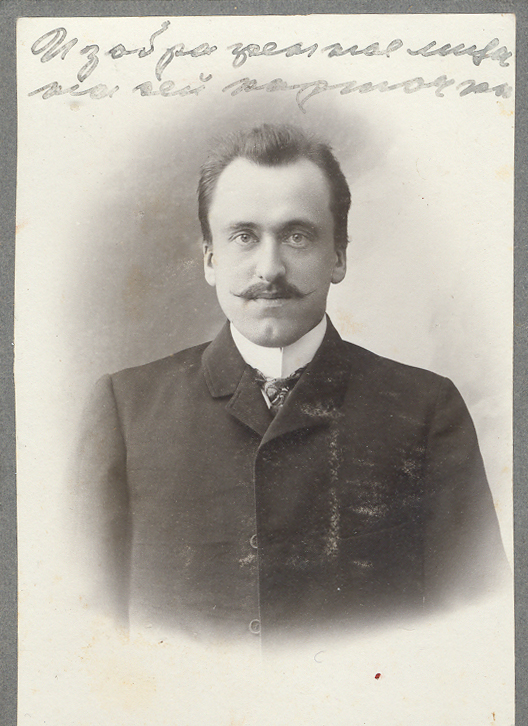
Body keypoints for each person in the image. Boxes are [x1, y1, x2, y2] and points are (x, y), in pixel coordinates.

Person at [78, 123, 506, 643]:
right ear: (211, 259)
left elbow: (476, 630)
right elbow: (84, 636)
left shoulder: (425, 409)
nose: (270, 268)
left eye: (297, 236)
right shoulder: (126, 409)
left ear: (338, 257)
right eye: (243, 236)